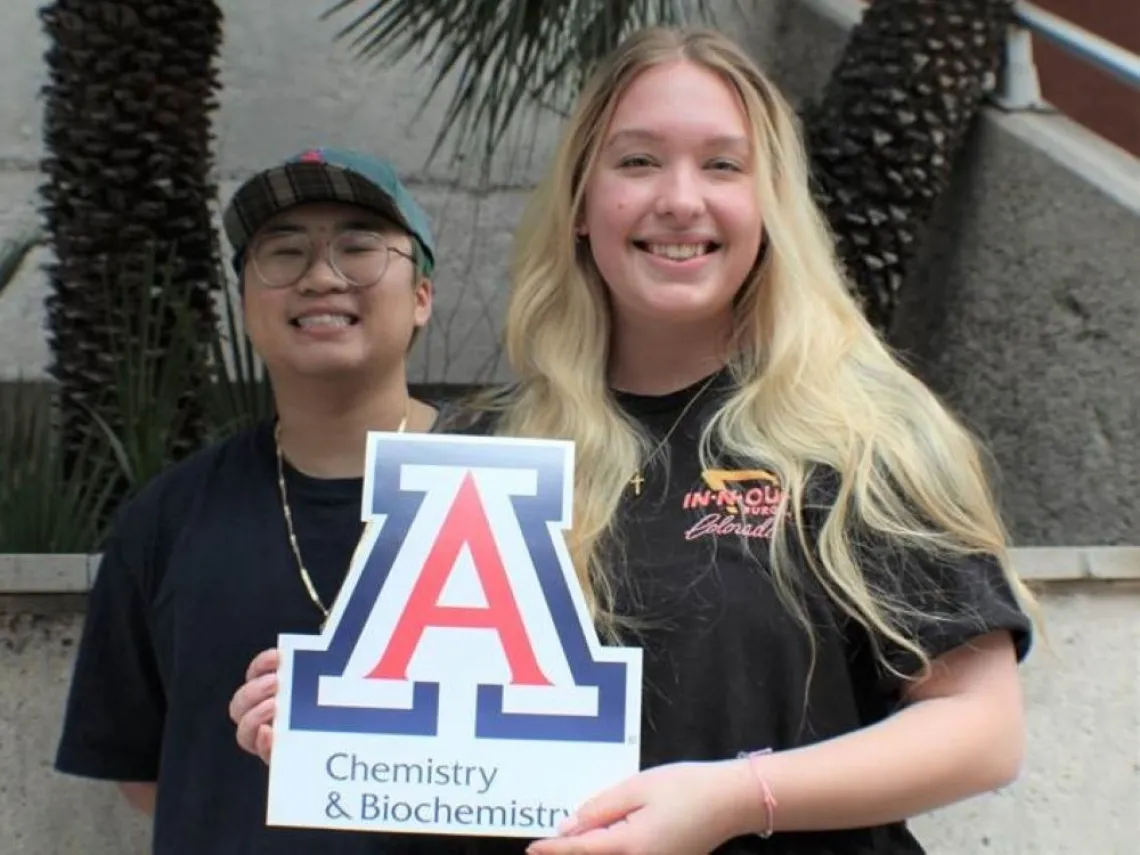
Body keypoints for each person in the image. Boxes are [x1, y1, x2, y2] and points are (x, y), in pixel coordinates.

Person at [230, 27, 1037, 855]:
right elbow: (444, 750)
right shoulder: (482, 448)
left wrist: (734, 797)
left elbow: (979, 728)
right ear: (582, 205)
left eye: (723, 164)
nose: (681, 199)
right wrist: (338, 725)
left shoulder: (864, 434)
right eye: (639, 161)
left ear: (770, 207)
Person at [54, 146, 454, 854]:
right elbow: (145, 771)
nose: (321, 277)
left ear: (422, 294)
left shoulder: (519, 492)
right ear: (244, 303)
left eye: (359, 247)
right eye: (284, 252)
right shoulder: (167, 517)